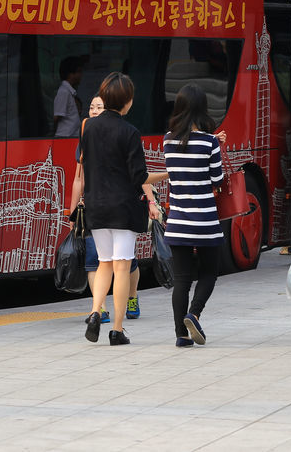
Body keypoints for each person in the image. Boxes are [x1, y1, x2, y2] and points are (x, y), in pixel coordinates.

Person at [79, 72, 167, 345]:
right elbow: (140, 177)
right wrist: (168, 173)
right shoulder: (129, 132)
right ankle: (117, 329)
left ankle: (95, 311)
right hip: (123, 209)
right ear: (127, 102)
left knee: (104, 263)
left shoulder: (89, 128)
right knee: (122, 267)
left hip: (96, 207)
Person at [67, 96, 141, 324]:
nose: (95, 111)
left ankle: (106, 307)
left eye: (99, 106)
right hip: (114, 207)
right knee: (110, 263)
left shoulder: (100, 133)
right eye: (91, 107)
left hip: (98, 206)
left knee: (110, 263)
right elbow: (140, 175)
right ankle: (110, 321)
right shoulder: (121, 132)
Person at [162, 84, 225, 348]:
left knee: (181, 280)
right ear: (202, 108)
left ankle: (181, 334)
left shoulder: (167, 139)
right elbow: (217, 179)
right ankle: (194, 313)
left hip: (177, 222)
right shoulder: (209, 142)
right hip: (205, 221)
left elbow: (174, 174)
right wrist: (217, 144)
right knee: (210, 272)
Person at [53, 57, 85, 137]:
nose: (81, 75)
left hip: (71, 138)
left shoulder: (70, 92)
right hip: (64, 137)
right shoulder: (64, 92)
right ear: (70, 74)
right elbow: (57, 117)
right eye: (79, 72)